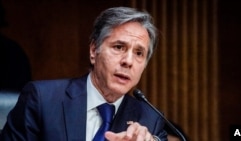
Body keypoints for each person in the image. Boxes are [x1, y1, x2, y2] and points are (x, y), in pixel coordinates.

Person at [0, 7, 167, 141]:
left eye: (139, 53)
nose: (128, 61)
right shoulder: (42, 99)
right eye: (118, 47)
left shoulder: (151, 121)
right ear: (94, 51)